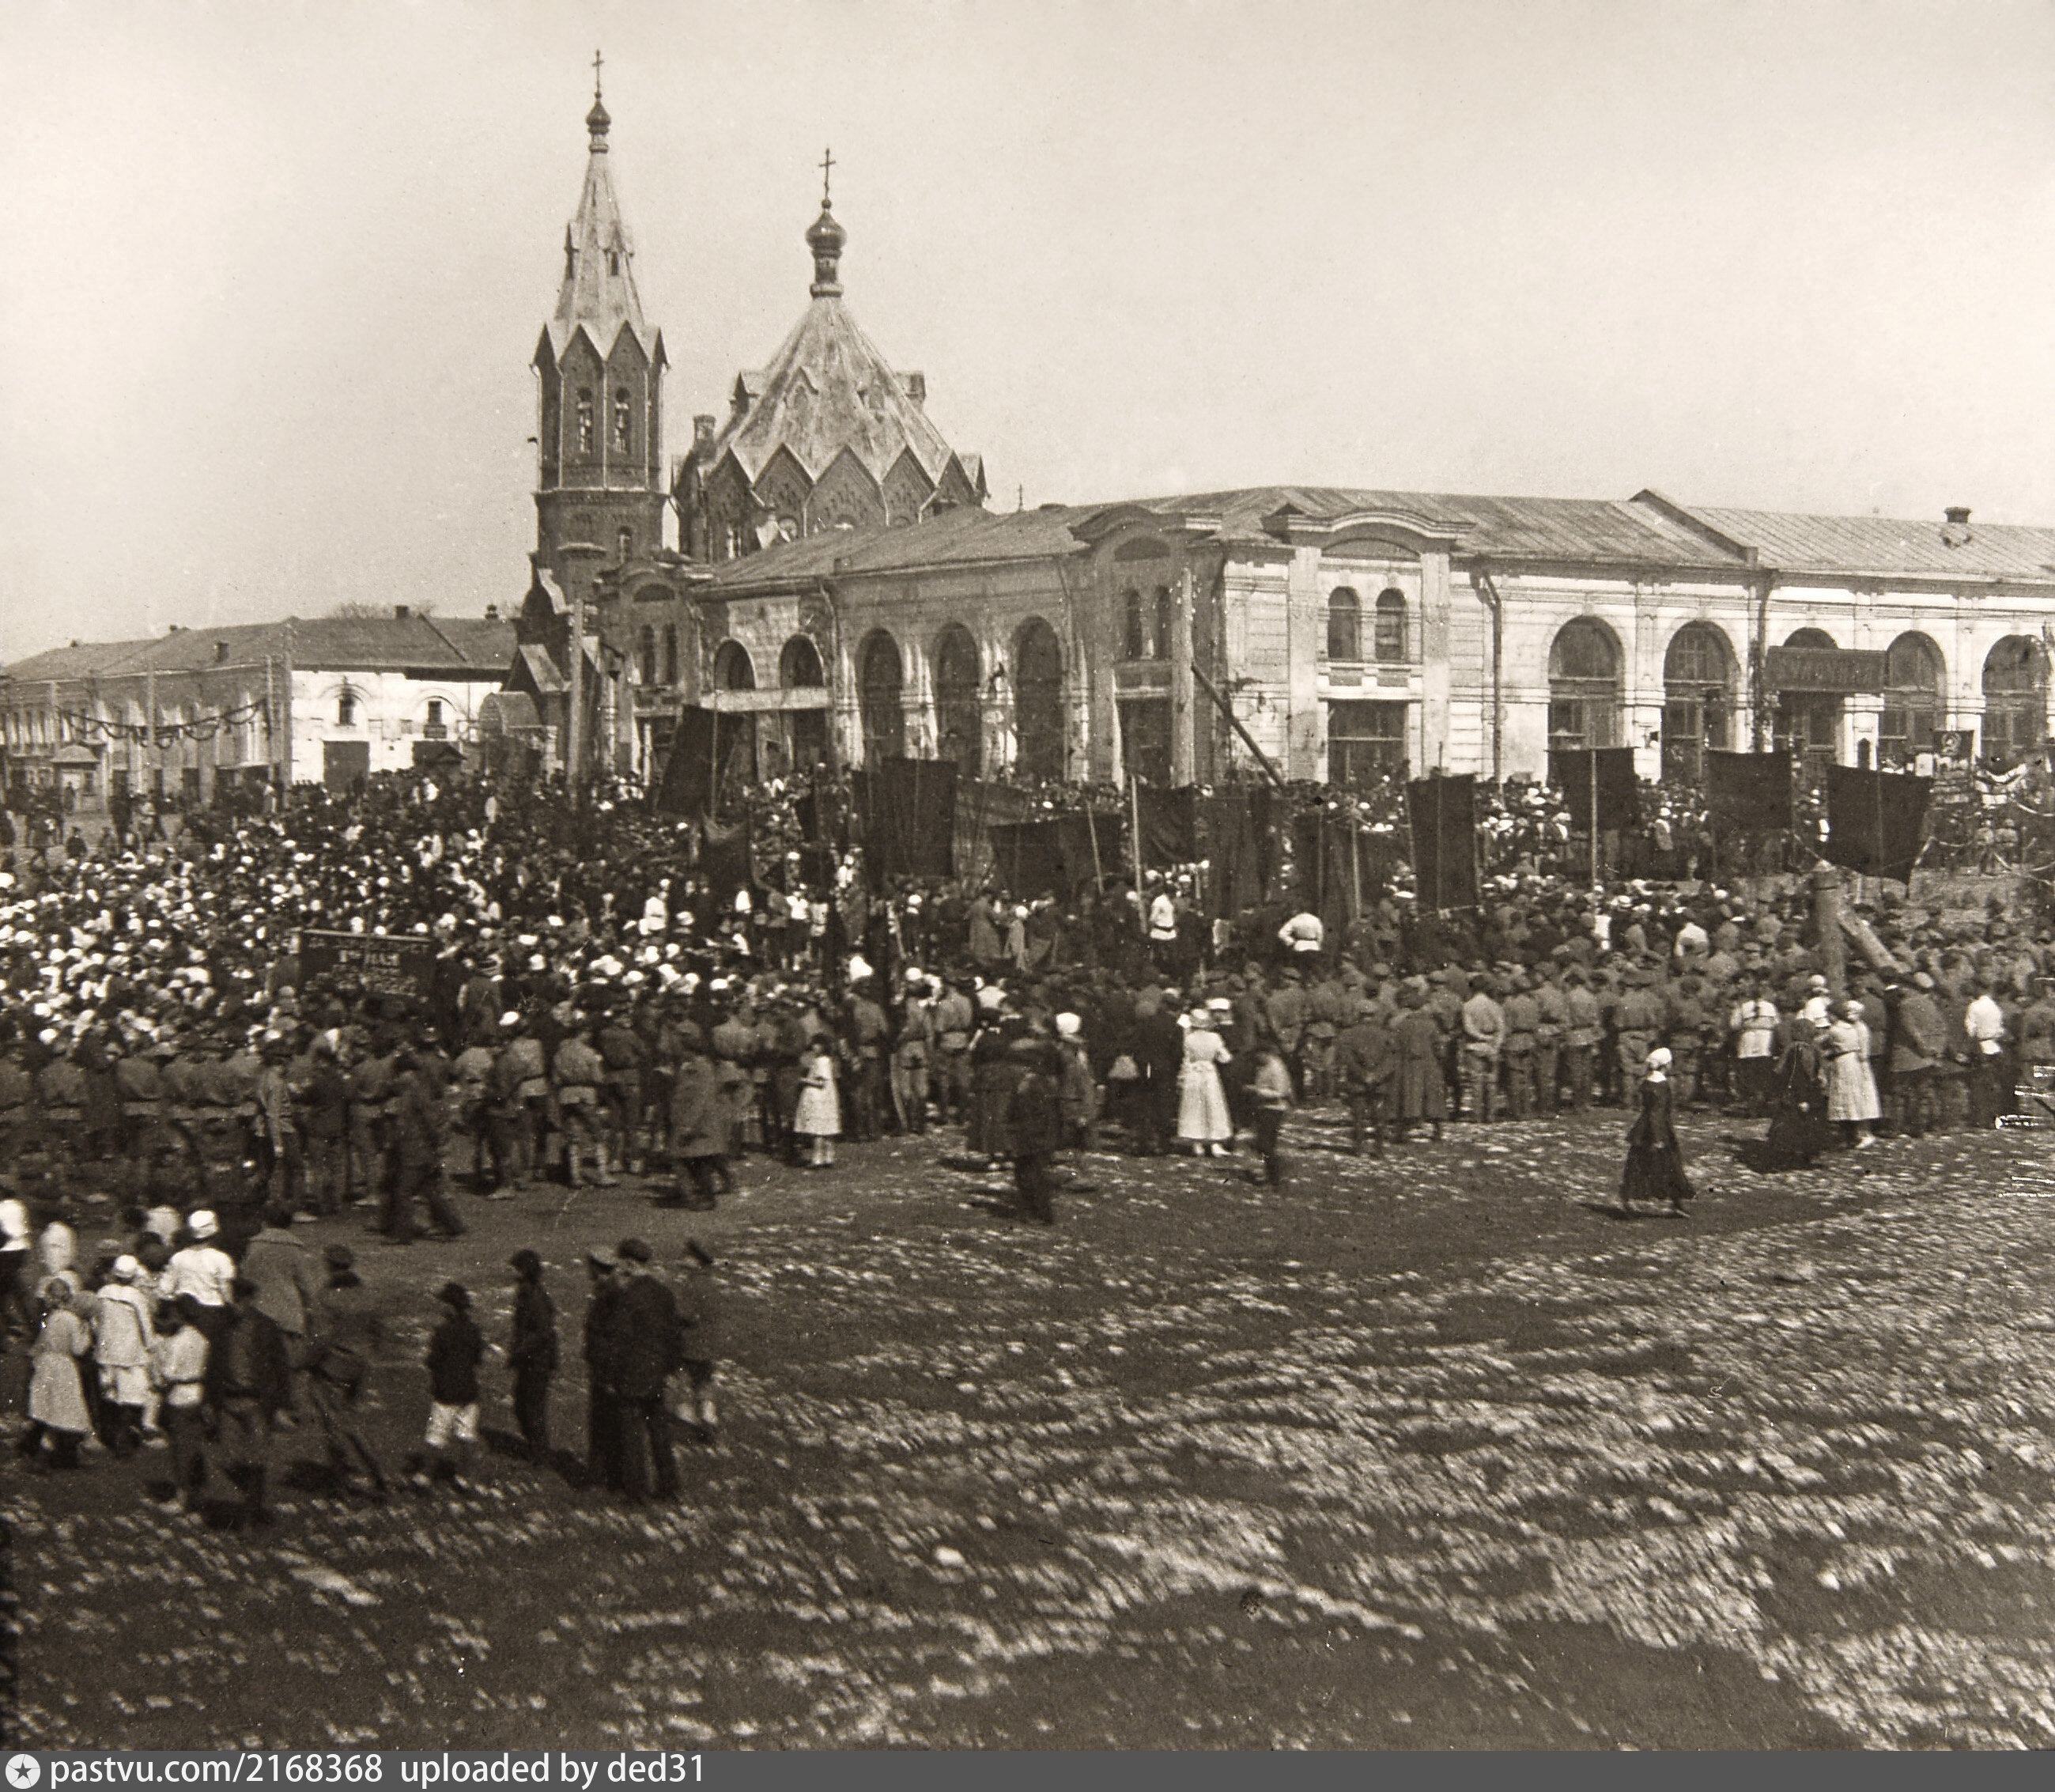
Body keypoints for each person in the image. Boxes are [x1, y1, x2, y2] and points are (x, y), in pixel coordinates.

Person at [608, 1238, 682, 1505]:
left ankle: (636, 1492)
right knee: (660, 1432)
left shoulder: (627, 1297)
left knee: (632, 1434)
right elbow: (674, 1336)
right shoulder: (664, 1293)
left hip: (632, 1373)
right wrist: (671, 1369)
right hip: (657, 1372)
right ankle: (669, 1487)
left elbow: (620, 1340)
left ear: (629, 1264)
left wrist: (613, 1374)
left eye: (621, 1264)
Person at [417, 1281, 484, 1491]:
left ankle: (426, 1475)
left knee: (437, 1432)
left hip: (446, 1390)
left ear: (450, 1306)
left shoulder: (442, 1331)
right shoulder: (474, 1330)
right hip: (469, 1390)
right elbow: (478, 1359)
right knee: (466, 1433)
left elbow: (433, 1361)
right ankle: (466, 1477)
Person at [20, 1279, 93, 1472]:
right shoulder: (73, 1320)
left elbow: (41, 1343)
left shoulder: (51, 1318)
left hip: (46, 1364)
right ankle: (53, 1456)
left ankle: (42, 1454)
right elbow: (78, 1349)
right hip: (63, 1367)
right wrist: (87, 1332)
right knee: (64, 1410)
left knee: (48, 1409)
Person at [92, 1255, 157, 1458]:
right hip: (130, 1354)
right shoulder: (137, 1297)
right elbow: (145, 1326)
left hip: (107, 1351)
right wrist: (151, 1347)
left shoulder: (103, 1292)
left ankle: (108, 1436)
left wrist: (100, 1337)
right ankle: (124, 1441)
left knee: (110, 1395)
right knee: (131, 1398)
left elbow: (95, 1320)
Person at [1620, 1047, 1693, 1216]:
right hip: (1659, 1130)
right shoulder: (1661, 1085)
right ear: (1666, 1065)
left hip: (1643, 1129)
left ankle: (1630, 1197)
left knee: (1638, 1164)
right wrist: (1658, 1137)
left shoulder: (1648, 1081)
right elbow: (1657, 1112)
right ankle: (1676, 1201)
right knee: (1670, 1164)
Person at [1005, 1042, 1065, 1225]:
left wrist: (1028, 1136)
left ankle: (1042, 1214)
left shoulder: (1035, 1085)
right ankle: (1031, 1211)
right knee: (1023, 1175)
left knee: (1034, 1176)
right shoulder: (1027, 1084)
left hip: (1035, 1139)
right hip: (1029, 1137)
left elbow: (1041, 1116)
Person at [508, 1249, 557, 1461]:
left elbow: (542, 1333)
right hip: (530, 1359)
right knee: (523, 1405)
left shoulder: (534, 1297)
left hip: (537, 1361)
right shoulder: (527, 1292)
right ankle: (535, 1447)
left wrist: (520, 1351)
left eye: (516, 1268)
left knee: (531, 1407)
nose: (512, 1272)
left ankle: (539, 1452)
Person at [1177, 1004, 1234, 1158]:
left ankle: (1197, 1144)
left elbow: (1186, 1060)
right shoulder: (1215, 1038)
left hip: (1194, 1073)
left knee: (1194, 1107)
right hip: (1209, 1074)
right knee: (1213, 1106)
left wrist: (1183, 1076)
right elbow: (1225, 1058)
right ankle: (1215, 1143)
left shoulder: (1188, 1039)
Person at [1825, 1000, 1881, 1148]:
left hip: (1849, 1064)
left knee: (1852, 1096)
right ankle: (1859, 1133)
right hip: (1856, 1063)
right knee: (1858, 1097)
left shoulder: (1838, 1029)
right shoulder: (1857, 1027)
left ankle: (1861, 1134)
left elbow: (1829, 1043)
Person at [1245, 1043, 1293, 1188]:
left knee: (1265, 1143)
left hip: (1274, 1109)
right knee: (1266, 1143)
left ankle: (1273, 1175)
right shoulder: (1265, 1065)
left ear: (1266, 1053)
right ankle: (1270, 1174)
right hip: (1264, 1108)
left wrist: (1257, 1091)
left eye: (1259, 1056)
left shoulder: (1276, 1068)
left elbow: (1281, 1092)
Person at [794, 1031, 841, 1169]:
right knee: (827, 1130)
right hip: (827, 1097)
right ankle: (829, 1157)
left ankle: (817, 1159)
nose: (814, 1047)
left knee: (818, 1131)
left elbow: (821, 1082)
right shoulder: (827, 1060)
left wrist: (804, 1080)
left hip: (819, 1098)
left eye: (817, 1045)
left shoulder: (821, 1061)